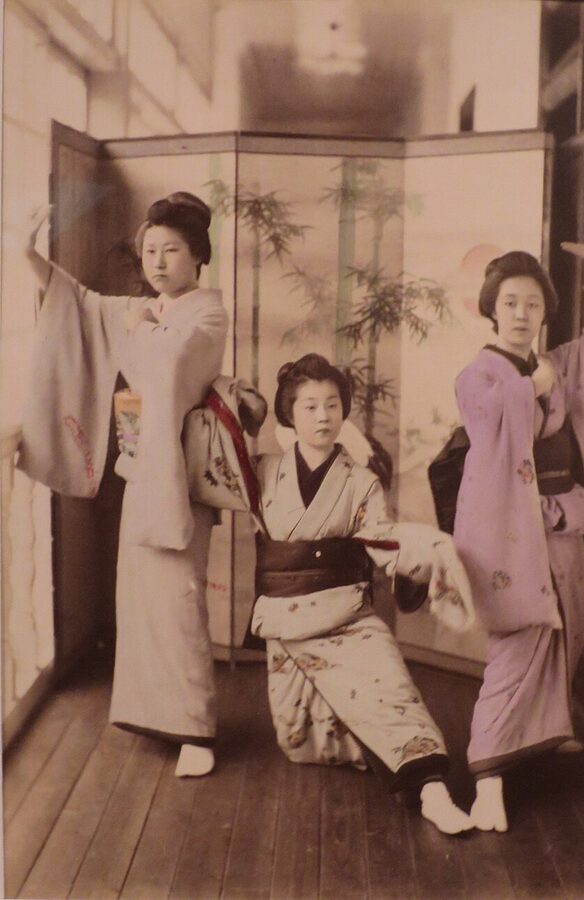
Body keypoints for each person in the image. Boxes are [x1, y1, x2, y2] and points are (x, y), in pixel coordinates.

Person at [185, 352, 477, 833]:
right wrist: (233, 403)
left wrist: (419, 557)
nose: (323, 416)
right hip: (285, 623)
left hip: (347, 618)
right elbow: (210, 463)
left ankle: (431, 790)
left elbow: (383, 542)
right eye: (309, 406)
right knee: (298, 742)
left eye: (333, 405)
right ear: (290, 415)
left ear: (344, 412)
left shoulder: (361, 483)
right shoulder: (262, 472)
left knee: (391, 692)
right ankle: (375, 742)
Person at [18, 192, 228, 777]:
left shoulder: (206, 315)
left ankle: (197, 730)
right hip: (146, 476)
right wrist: (27, 253)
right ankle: (153, 713)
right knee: (142, 601)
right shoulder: (151, 309)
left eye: (172, 251)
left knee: (180, 602)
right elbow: (79, 304)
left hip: (179, 482)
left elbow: (164, 372)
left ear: (198, 256)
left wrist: (138, 331)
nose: (158, 262)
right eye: (151, 251)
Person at [452, 244, 584, 831]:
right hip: (511, 528)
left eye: (532, 303)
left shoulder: (555, 359)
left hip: (562, 517)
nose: (521, 313)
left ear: (543, 312)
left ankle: (548, 732)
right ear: (491, 309)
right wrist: (531, 388)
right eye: (510, 302)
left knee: (569, 625)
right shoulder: (478, 373)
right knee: (518, 644)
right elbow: (489, 429)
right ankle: (488, 780)